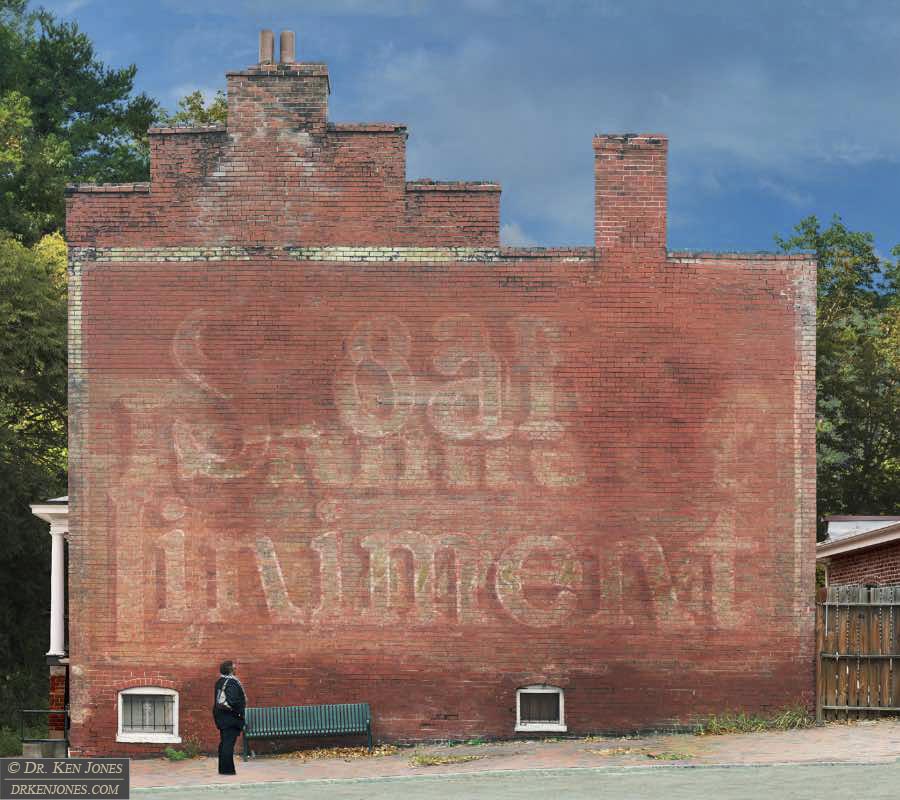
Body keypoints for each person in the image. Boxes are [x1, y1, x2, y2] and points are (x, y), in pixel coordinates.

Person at [212, 660, 246, 775]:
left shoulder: (219, 682)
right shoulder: (232, 683)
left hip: (221, 717)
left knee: (224, 742)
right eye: (234, 668)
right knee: (228, 744)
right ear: (230, 670)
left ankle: (223, 769)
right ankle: (227, 770)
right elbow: (233, 701)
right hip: (230, 718)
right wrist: (239, 712)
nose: (236, 669)